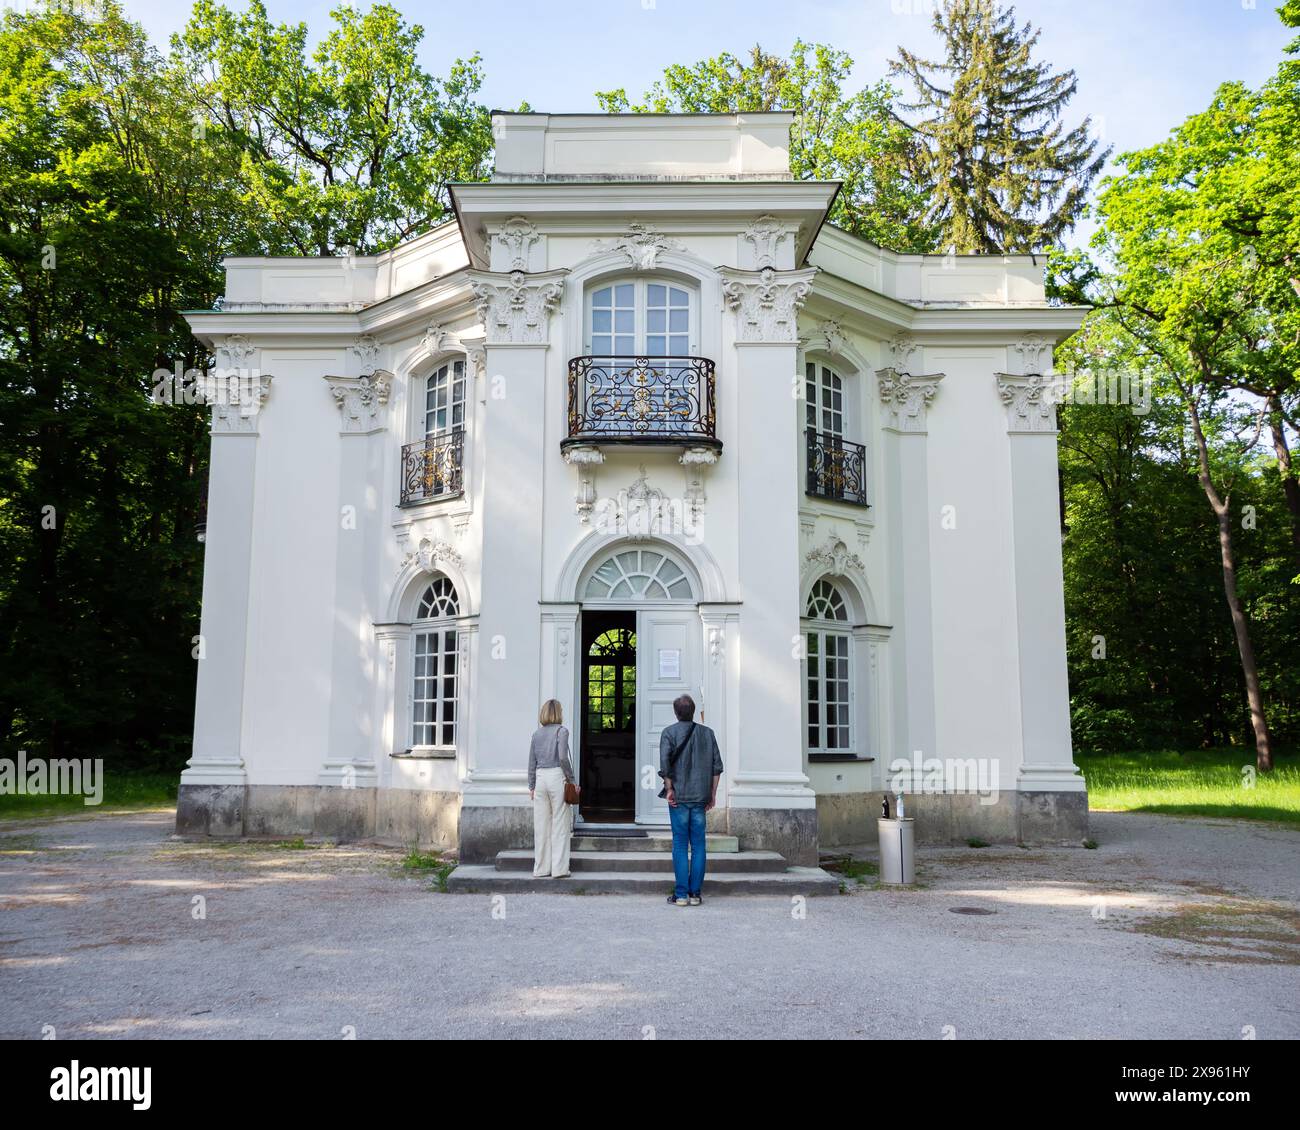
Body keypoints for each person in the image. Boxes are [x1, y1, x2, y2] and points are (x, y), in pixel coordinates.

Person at [658, 693, 722, 907]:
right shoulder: (708, 733)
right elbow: (716, 768)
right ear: (693, 711)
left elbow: (666, 767)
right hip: (700, 797)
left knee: (679, 844)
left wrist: (669, 790)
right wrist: (712, 794)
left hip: (679, 796)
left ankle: (681, 894)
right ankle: (695, 893)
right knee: (698, 845)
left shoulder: (668, 733)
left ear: (676, 713)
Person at [529, 699, 577, 878]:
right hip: (557, 776)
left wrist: (531, 785)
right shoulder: (562, 731)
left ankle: (541, 868)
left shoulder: (536, 734)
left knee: (541, 826)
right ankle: (559, 869)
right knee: (560, 825)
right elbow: (563, 758)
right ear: (558, 713)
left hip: (541, 778)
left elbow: (531, 762)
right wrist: (572, 780)